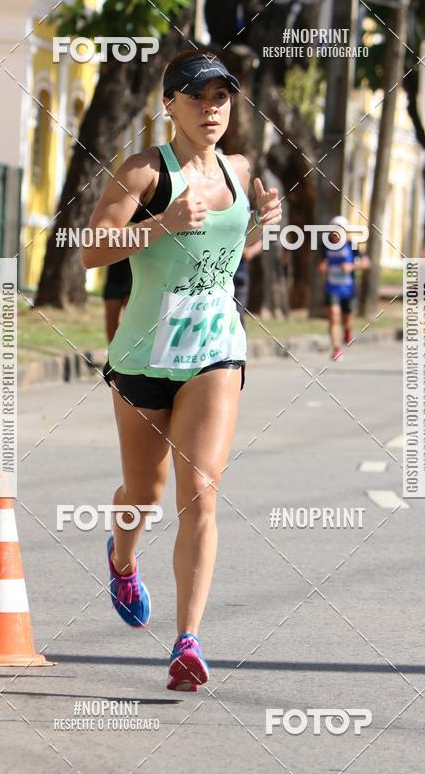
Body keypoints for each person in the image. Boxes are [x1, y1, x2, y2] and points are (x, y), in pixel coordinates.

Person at [84, 50, 282, 692]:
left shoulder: (241, 169)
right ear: (170, 104)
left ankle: (187, 641)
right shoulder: (146, 171)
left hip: (214, 348)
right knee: (144, 495)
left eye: (222, 97)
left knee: (201, 490)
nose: (212, 108)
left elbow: (225, 248)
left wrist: (261, 230)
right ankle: (121, 558)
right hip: (143, 356)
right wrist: (158, 224)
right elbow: (89, 250)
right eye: (198, 97)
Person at [318, 215, 370, 361]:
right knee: (334, 317)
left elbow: (366, 263)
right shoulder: (325, 246)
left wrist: (352, 266)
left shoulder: (352, 246)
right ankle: (336, 349)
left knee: (347, 319)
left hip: (347, 289)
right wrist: (322, 267)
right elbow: (322, 263)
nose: (335, 233)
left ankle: (348, 331)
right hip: (332, 288)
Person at [233, 237, 263, 329]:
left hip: (240, 278)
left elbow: (261, 242)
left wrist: (245, 251)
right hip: (220, 281)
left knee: (238, 316)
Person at [103, 260, 132, 342]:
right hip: (114, 276)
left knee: (131, 326)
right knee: (111, 329)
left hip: (133, 278)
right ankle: (113, 353)